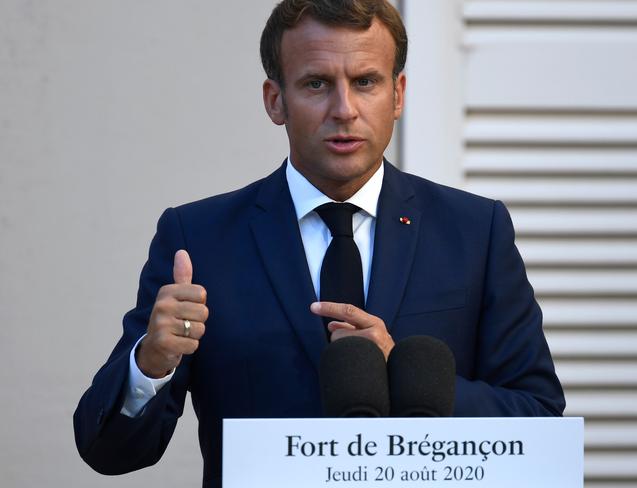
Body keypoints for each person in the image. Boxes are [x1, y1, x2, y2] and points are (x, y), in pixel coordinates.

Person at [74, 1, 565, 486]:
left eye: (366, 82)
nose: (344, 109)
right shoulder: (198, 239)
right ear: (275, 100)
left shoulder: (476, 230)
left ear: (398, 94)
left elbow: (539, 422)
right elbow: (109, 454)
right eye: (317, 84)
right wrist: (150, 363)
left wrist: (414, 381)